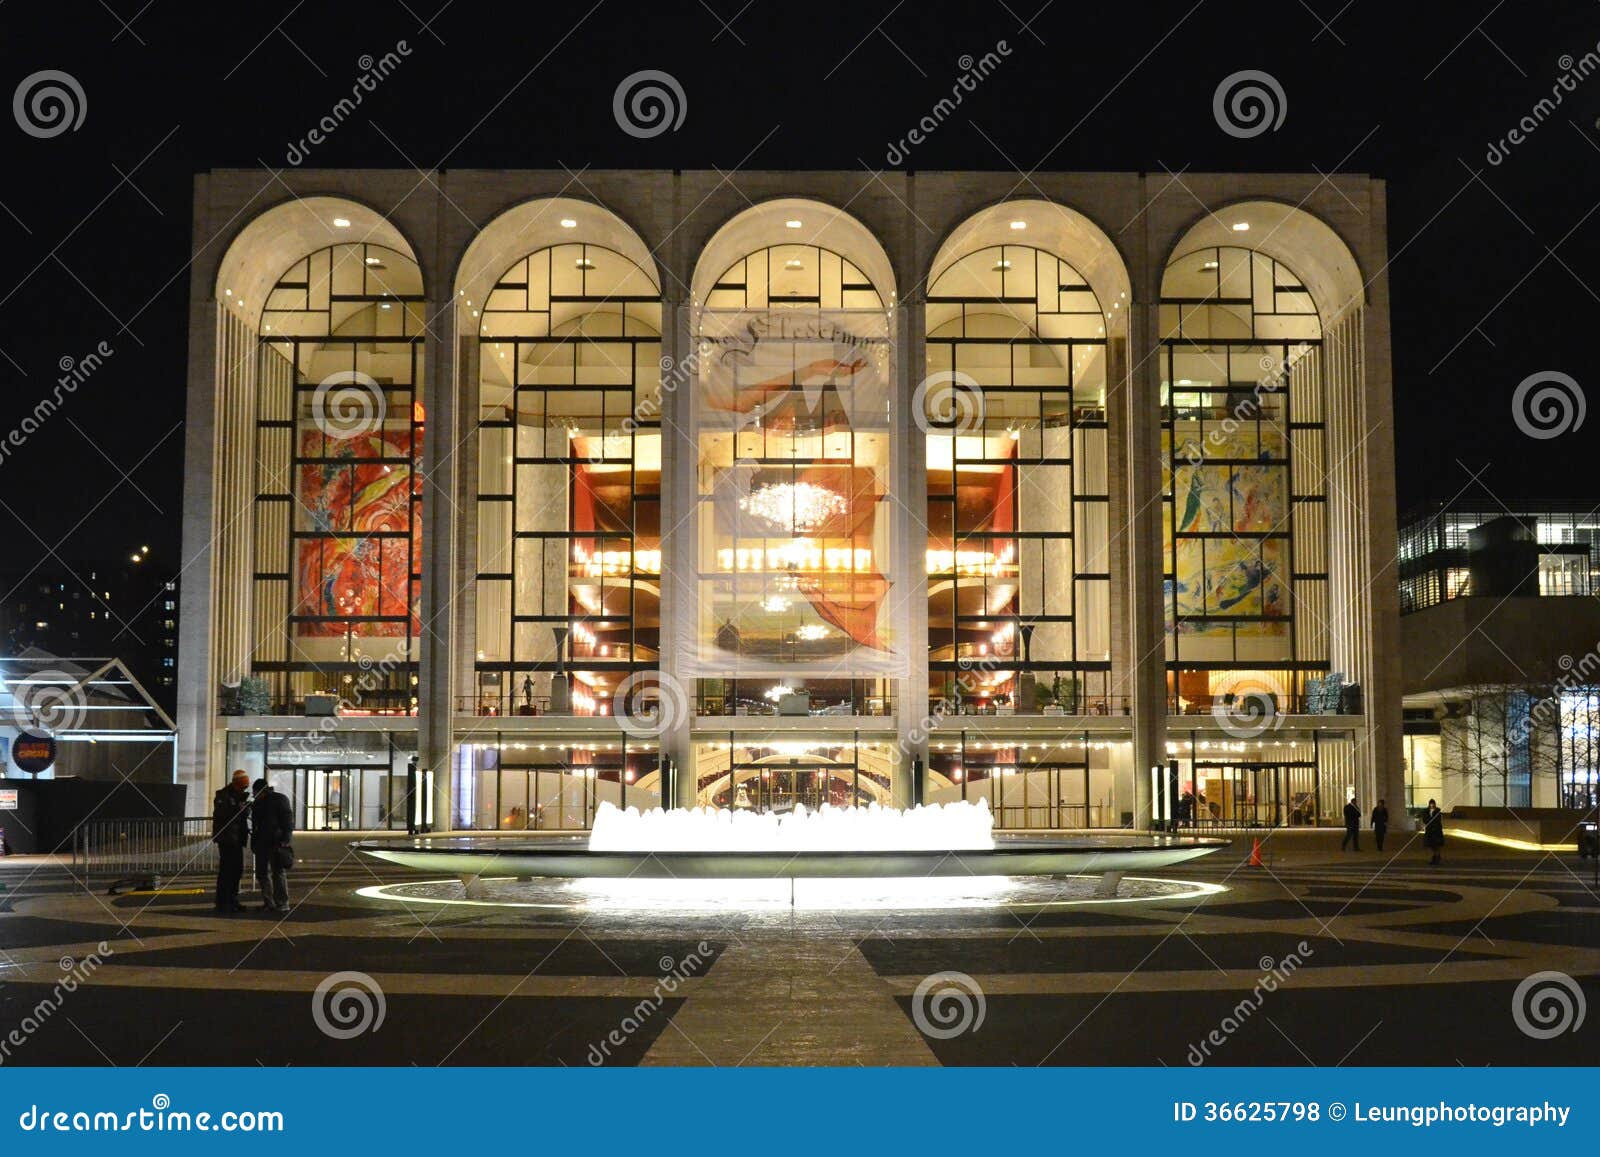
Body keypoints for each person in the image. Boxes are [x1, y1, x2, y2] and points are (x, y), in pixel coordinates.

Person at [250, 775, 295, 913]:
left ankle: (280, 903)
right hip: (264, 842)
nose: (254, 795)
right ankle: (271, 902)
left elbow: (287, 821)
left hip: (275, 842)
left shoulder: (277, 800)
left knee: (277, 872)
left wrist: (285, 839)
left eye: (255, 792)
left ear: (260, 791)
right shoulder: (261, 802)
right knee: (264, 873)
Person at [211, 769, 252, 913]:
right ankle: (223, 902)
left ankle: (232, 900)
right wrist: (238, 809)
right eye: (244, 785)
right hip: (227, 839)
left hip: (237, 838)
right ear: (237, 783)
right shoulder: (223, 796)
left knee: (236, 870)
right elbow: (222, 815)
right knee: (227, 871)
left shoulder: (238, 797)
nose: (245, 788)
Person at [1423, 798, 1445, 865]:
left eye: (1433, 804)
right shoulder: (1426, 811)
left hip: (1436, 831)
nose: (1432, 805)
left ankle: (1436, 858)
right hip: (1429, 831)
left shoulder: (1438, 811)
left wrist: (1431, 821)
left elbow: (1438, 820)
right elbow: (1425, 819)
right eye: (1431, 804)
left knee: (1436, 846)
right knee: (1431, 846)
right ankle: (1435, 857)